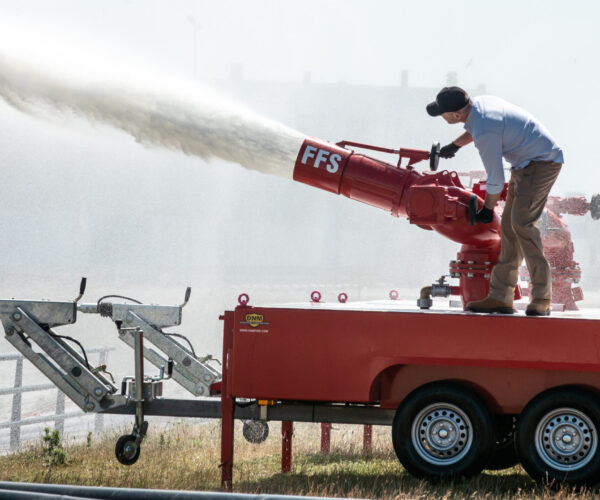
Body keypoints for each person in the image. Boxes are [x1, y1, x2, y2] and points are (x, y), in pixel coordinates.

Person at [426, 87, 563, 316]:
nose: (442, 117)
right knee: (508, 229)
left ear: (456, 115)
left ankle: (541, 297)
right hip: (525, 164)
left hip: (542, 163)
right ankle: (500, 298)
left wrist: (487, 209)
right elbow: (475, 129)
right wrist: (455, 146)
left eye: (443, 114)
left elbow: (495, 179)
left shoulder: (485, 130)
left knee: (522, 225)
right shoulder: (478, 106)